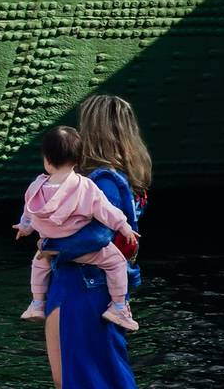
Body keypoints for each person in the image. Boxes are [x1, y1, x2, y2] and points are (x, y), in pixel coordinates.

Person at [25, 93, 161, 389]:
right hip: (101, 289)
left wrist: (48, 246)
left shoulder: (98, 181)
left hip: (78, 288)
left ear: (93, 131)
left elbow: (97, 236)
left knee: (73, 381)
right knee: (114, 376)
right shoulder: (128, 180)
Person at [16, 124, 141, 332]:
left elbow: (28, 212)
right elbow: (105, 210)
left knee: (39, 263)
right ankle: (119, 307)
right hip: (82, 249)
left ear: (47, 161)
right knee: (116, 262)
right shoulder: (85, 186)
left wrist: (25, 226)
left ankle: (37, 303)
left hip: (49, 245)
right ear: (78, 160)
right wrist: (124, 226)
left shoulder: (36, 186)